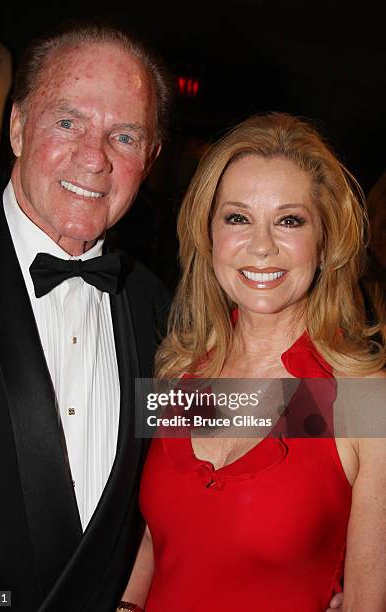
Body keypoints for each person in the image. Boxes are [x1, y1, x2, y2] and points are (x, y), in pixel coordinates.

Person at [120, 113, 386, 611]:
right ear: (209, 234)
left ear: (325, 242)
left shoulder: (363, 402)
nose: (262, 247)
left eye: (290, 220)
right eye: (238, 218)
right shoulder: (179, 373)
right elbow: (158, 539)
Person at [0, 22, 172, 611]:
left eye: (124, 136)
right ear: (18, 126)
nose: (94, 158)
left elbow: (260, 426)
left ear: (149, 159)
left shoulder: (162, 312)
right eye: (68, 122)